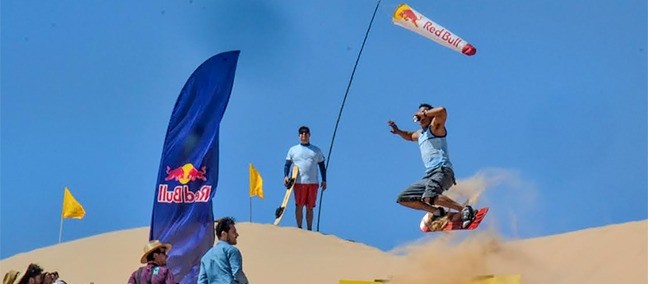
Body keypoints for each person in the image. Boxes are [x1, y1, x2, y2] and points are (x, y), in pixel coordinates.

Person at [388, 103, 475, 228]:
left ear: (430, 115)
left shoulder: (435, 128)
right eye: (419, 115)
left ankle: (464, 210)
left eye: (423, 114)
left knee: (430, 196)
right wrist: (398, 131)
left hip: (442, 171)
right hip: (429, 176)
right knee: (404, 198)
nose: (420, 118)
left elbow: (443, 111)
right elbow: (408, 135)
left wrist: (424, 114)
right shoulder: (420, 134)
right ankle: (437, 212)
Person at [284, 126, 327, 230]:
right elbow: (287, 164)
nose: (304, 135)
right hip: (298, 182)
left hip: (313, 183)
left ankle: (309, 229)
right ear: (299, 136)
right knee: (299, 205)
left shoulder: (316, 150)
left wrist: (324, 180)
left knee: (310, 207)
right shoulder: (293, 150)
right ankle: (299, 228)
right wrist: (285, 176)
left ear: (309, 135)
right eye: (302, 133)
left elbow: (322, 165)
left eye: (306, 133)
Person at [198, 217, 248, 284]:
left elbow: (201, 282)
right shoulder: (232, 251)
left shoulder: (206, 257)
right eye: (234, 232)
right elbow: (237, 273)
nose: (236, 235)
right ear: (224, 233)